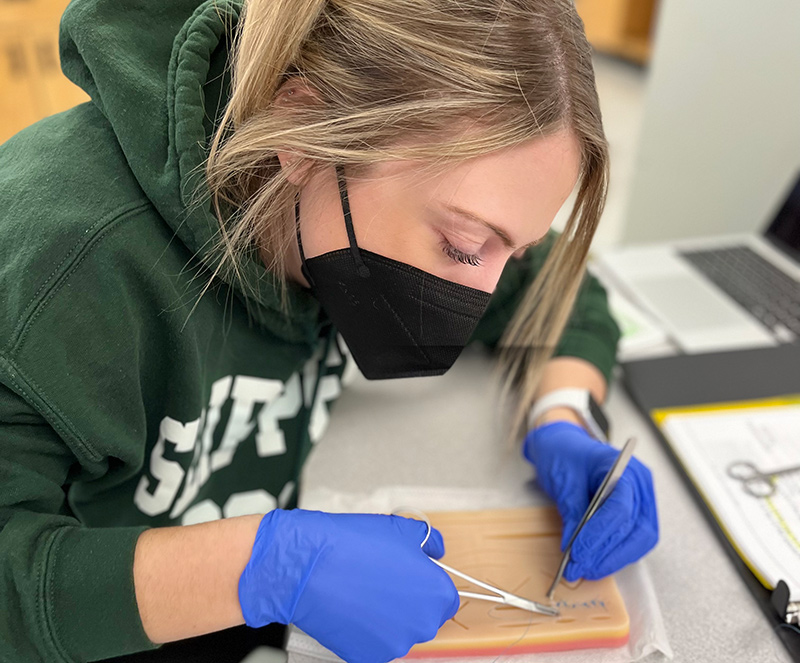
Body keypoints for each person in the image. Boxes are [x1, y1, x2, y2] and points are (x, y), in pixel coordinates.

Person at [0, 0, 659, 661]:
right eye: (461, 246)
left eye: (509, 251)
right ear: (303, 127)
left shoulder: (342, 213)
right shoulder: (68, 262)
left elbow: (564, 299)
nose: (483, 292)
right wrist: (261, 567)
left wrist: (562, 416)